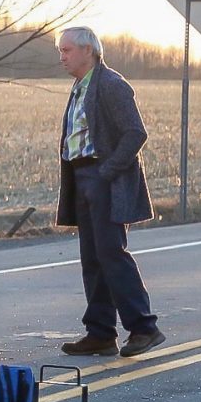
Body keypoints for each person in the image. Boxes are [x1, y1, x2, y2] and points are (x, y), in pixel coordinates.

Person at [54, 26, 165, 358]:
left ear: (89, 50)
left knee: (112, 255)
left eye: (67, 50)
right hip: (82, 178)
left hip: (102, 178)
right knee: (93, 258)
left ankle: (144, 327)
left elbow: (135, 133)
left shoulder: (112, 85)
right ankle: (100, 333)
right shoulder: (80, 86)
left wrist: (107, 171)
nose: (62, 56)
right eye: (60, 51)